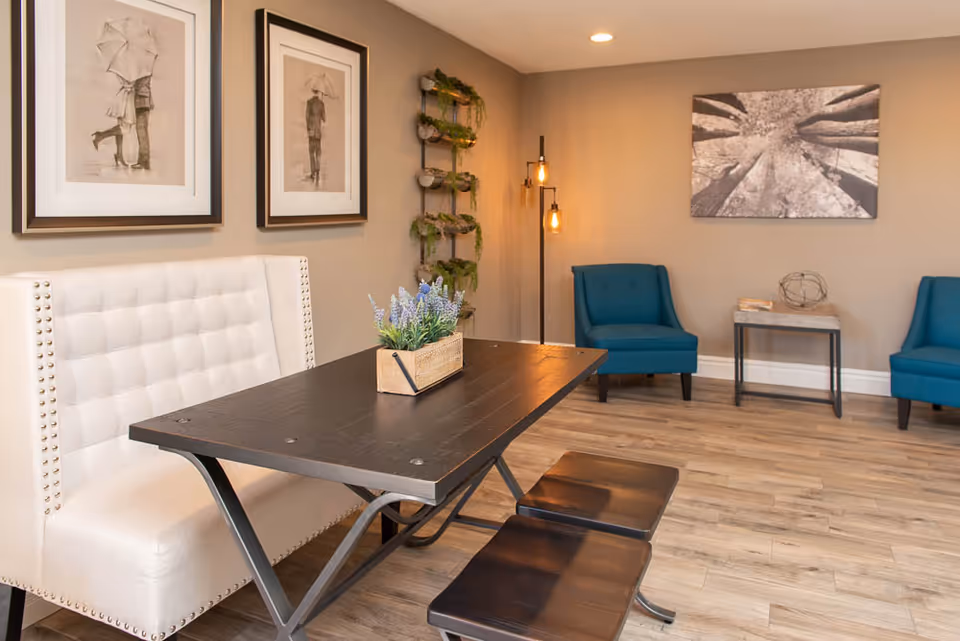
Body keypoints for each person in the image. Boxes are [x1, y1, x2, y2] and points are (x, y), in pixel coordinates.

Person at [132, 75, 154, 170]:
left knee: (141, 132)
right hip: (142, 102)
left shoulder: (142, 71)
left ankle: (144, 162)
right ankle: (143, 161)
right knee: (141, 132)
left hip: (142, 102)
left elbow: (141, 85)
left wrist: (133, 84)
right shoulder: (144, 69)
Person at [306, 89, 326, 183]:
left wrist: (308, 129)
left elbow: (306, 117)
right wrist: (322, 108)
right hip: (318, 133)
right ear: (318, 93)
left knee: (311, 153)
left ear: (312, 92)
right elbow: (324, 119)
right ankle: (318, 171)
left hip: (311, 132)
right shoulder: (321, 104)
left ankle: (313, 173)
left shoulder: (309, 102)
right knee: (318, 152)